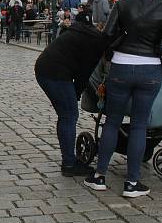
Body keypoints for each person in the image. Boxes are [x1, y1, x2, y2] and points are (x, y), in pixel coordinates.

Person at [84, 0, 162, 198]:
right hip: (149, 69)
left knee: (112, 121)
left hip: (121, 66)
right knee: (139, 124)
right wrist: (161, 60)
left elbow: (107, 34)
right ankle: (132, 182)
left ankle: (99, 176)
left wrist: (110, 55)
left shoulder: (123, 2)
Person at [36, 11, 109, 176]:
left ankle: (69, 159)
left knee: (66, 115)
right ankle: (69, 164)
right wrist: (77, 95)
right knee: (69, 116)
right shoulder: (97, 43)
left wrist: (76, 93)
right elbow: (84, 74)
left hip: (46, 68)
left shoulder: (82, 32)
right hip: (55, 73)